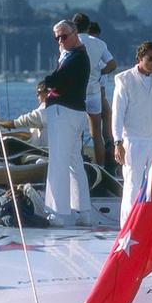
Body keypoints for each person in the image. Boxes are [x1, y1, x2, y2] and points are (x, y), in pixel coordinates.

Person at [111, 41, 152, 227]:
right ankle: (128, 228)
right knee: (132, 185)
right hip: (133, 140)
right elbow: (118, 113)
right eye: (150, 59)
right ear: (140, 58)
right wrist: (117, 141)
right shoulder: (123, 79)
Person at [43, 20, 91, 227]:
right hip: (74, 112)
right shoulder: (76, 56)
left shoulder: (77, 57)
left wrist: (46, 82)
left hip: (64, 113)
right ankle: (83, 211)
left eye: (63, 36)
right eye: (56, 38)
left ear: (75, 33)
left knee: (58, 162)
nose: (60, 41)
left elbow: (56, 80)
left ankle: (57, 213)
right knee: (74, 162)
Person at [73, 13, 116, 166]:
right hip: (94, 93)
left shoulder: (72, 41)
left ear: (74, 26)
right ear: (88, 25)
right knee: (96, 133)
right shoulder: (99, 43)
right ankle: (101, 167)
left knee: (77, 133)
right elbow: (112, 65)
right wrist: (99, 73)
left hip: (76, 93)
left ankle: (78, 166)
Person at [89, 20, 118, 170]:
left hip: (93, 91)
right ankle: (108, 153)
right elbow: (111, 66)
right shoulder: (99, 47)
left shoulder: (85, 46)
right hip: (99, 91)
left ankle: (102, 159)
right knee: (104, 123)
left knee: (94, 131)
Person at [0, 81, 48, 146]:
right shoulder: (59, 109)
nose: (37, 94)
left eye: (39, 92)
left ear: (47, 93)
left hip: (44, 153)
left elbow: (18, 123)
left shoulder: (42, 112)